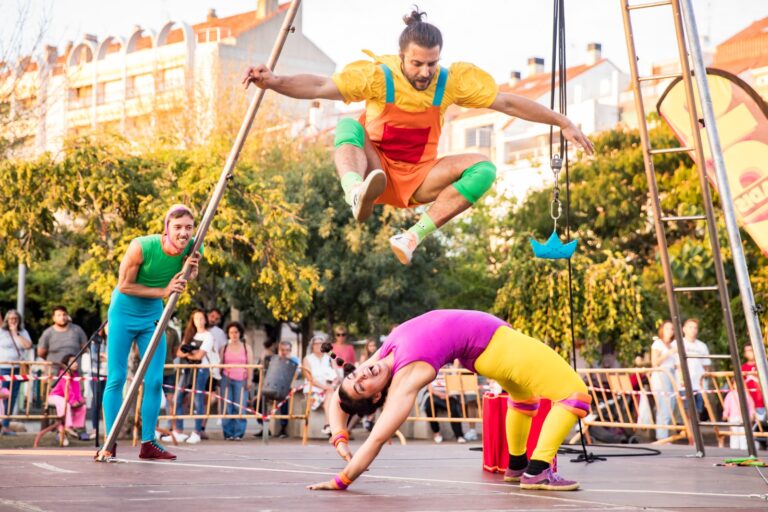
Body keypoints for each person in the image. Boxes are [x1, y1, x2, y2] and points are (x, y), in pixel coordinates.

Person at [242, 9, 594, 265]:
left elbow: (507, 102)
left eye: (432, 64)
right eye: (417, 64)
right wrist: (273, 81)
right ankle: (353, 192)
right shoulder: (378, 77)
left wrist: (560, 120)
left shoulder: (451, 82)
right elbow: (320, 85)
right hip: (374, 169)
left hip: (418, 178)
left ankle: (411, 237)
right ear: (402, 58)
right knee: (349, 126)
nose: (425, 72)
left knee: (484, 168)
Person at [309, 310, 590, 492]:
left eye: (354, 374)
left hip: (488, 349)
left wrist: (340, 439)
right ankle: (538, 471)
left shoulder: (381, 357)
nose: (361, 375)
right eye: (361, 387)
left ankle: (517, 465)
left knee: (524, 398)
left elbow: (338, 398)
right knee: (575, 395)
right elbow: (376, 439)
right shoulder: (407, 376)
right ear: (377, 395)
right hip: (498, 348)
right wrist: (342, 479)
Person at [99, 204, 201, 461]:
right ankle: (109, 443)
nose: (184, 233)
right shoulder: (141, 246)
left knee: (155, 380)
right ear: (166, 228)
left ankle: (148, 443)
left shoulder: (193, 247)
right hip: (123, 312)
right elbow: (124, 286)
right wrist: (164, 292)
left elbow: (187, 278)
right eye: (178, 227)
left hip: (153, 316)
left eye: (188, 227)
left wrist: (193, 271)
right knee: (117, 378)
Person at [165, 309, 214, 445]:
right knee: (178, 398)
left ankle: (197, 432)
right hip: (187, 370)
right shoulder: (190, 334)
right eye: (196, 318)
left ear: (205, 319)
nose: (199, 321)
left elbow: (200, 356)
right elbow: (179, 353)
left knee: (198, 401)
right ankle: (178, 431)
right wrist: (190, 353)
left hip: (201, 370)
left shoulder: (208, 336)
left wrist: (189, 353)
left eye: (201, 318)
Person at [0, 309, 33, 433]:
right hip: (3, 368)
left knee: (12, 397)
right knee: (1, 396)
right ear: (6, 320)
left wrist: (16, 334)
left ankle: (5, 425)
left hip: (17, 369)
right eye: (10, 319)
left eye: (15, 319)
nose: (13, 321)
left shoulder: (23, 332)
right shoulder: (2, 332)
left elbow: (28, 346)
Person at [220, 321, 253, 441]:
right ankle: (228, 433)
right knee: (226, 407)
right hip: (226, 379)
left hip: (241, 379)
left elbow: (250, 364)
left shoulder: (246, 347)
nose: (234, 335)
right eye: (231, 332)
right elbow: (220, 363)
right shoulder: (224, 348)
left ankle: (238, 433)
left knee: (240, 407)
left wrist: (249, 380)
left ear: (240, 333)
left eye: (236, 332)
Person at [48, 354, 87, 447]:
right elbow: (67, 389)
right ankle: (66, 427)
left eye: (76, 361)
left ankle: (75, 426)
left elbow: (77, 390)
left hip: (66, 398)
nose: (76, 364)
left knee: (83, 407)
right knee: (65, 404)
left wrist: (80, 400)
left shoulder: (76, 375)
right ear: (66, 364)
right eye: (72, 362)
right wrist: (73, 401)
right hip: (55, 397)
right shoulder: (63, 373)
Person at [303, 334, 338, 437]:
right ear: (312, 346)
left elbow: (336, 375)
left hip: (328, 389)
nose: (318, 346)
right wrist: (325, 387)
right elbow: (310, 379)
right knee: (331, 395)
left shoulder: (329, 358)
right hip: (313, 389)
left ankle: (328, 425)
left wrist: (332, 384)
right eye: (316, 344)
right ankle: (330, 426)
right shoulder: (307, 359)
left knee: (331, 395)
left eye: (321, 344)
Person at [676, 319, 710, 418]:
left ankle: (695, 433)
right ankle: (690, 433)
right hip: (685, 385)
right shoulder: (678, 343)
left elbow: (706, 365)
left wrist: (705, 382)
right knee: (688, 412)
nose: (693, 330)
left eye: (695, 328)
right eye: (690, 327)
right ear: (684, 329)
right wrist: (682, 379)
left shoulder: (702, 346)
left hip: (699, 384)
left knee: (698, 411)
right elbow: (678, 364)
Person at [650, 320, 677, 440]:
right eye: (667, 328)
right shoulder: (658, 344)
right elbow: (655, 362)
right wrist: (669, 353)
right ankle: (662, 437)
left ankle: (666, 435)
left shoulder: (673, 344)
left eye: (672, 329)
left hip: (672, 375)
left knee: (670, 407)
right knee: (663, 407)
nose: (669, 331)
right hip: (661, 376)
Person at [37, 306, 87, 371]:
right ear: (53, 318)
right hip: (53, 373)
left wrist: (72, 359)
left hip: (74, 373)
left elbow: (85, 348)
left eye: (64, 315)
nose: (62, 317)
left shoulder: (77, 330)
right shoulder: (48, 333)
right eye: (59, 315)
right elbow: (41, 353)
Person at [425, 370, 466, 444]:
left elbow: (455, 386)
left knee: (454, 408)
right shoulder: (432, 369)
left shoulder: (451, 370)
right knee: (429, 406)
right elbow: (429, 387)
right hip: (434, 395)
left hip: (450, 395)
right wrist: (440, 394)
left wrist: (448, 395)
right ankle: (436, 433)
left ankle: (459, 435)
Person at [274, 340, 301, 439]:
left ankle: (283, 427)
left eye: (287, 350)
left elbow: (298, 373)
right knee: (259, 400)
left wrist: (289, 360)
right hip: (274, 386)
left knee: (284, 400)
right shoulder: (275, 359)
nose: (285, 352)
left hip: (286, 387)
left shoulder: (294, 360)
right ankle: (264, 425)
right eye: (282, 350)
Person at [742, 344, 765, 421]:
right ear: (744, 354)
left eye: (751, 350)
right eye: (747, 351)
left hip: (762, 403)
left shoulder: (762, 366)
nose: (750, 352)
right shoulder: (743, 368)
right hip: (748, 404)